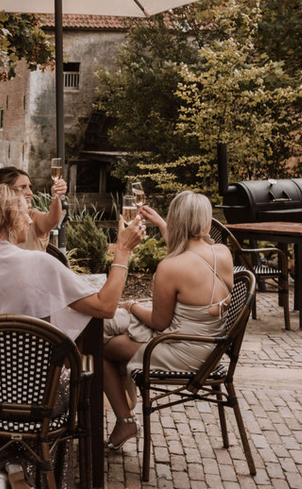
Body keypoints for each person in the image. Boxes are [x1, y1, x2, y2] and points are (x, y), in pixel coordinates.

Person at [101, 191, 233, 452]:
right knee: (117, 326)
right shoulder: (223, 253)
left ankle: (125, 418)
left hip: (184, 350)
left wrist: (132, 305)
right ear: (206, 223)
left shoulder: (171, 267)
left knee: (101, 346)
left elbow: (160, 323)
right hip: (211, 347)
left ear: (176, 222)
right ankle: (126, 394)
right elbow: (192, 252)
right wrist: (164, 226)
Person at [0, 183, 144, 339]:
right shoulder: (40, 262)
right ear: (9, 220)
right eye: (24, 213)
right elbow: (106, 308)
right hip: (42, 383)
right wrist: (123, 249)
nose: (28, 221)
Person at [0, 166, 67, 252]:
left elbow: (52, 219)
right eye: (23, 187)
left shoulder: (32, 218)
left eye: (29, 187)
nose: (30, 193)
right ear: (5, 191)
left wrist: (56, 196)